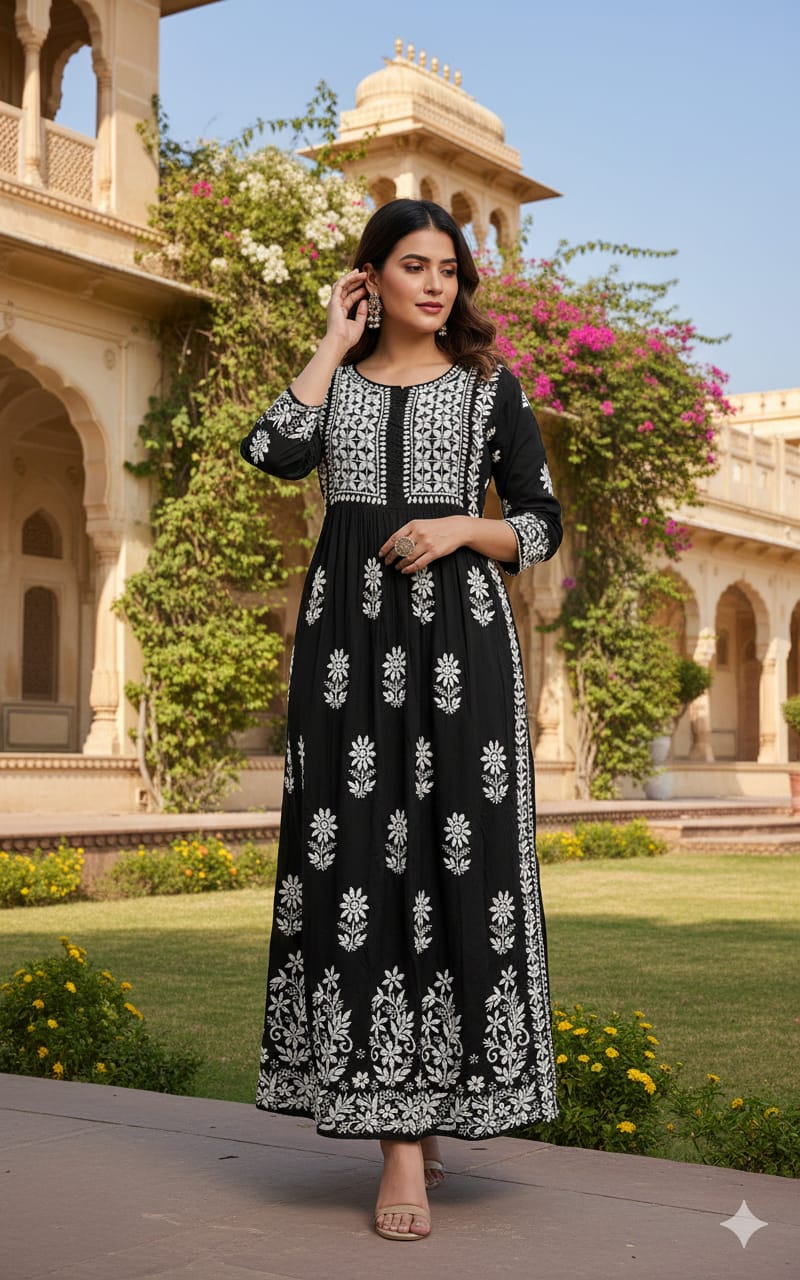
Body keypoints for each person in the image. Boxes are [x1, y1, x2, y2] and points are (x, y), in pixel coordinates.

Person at [240, 198, 562, 1243]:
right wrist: (330, 341)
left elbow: (540, 522)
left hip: (459, 652)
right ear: (369, 277)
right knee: (360, 870)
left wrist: (461, 526)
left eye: (448, 269)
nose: (435, 284)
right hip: (345, 655)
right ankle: (396, 1146)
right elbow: (269, 450)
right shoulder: (332, 382)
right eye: (411, 266)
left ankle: (438, 1107)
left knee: (452, 863)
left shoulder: (485, 389)